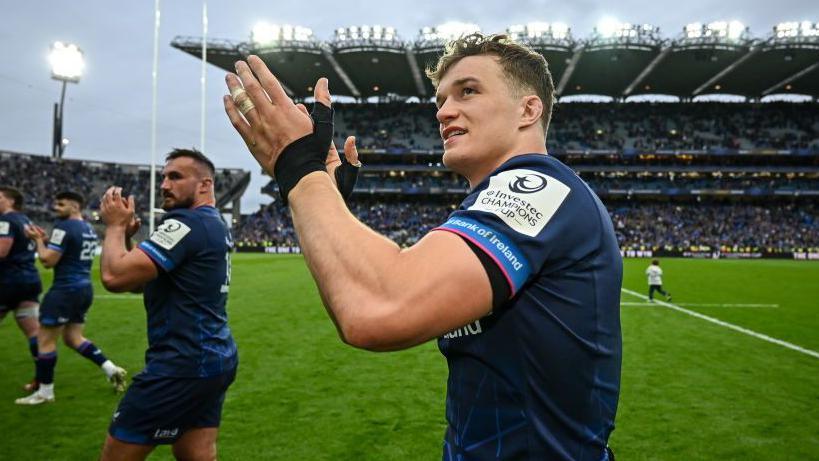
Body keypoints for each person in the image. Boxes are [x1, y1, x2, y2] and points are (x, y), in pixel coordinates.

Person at [224, 32, 622, 461]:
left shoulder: (538, 188)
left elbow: (378, 308)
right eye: (440, 101)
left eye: (468, 91)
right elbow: (374, 284)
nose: (445, 111)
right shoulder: (496, 201)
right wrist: (324, 199)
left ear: (528, 109)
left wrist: (299, 168)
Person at [97, 149, 237, 461]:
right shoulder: (211, 222)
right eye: (163, 177)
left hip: (181, 364)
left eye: (175, 176)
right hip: (214, 358)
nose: (164, 184)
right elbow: (138, 282)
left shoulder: (187, 223)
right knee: (195, 453)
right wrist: (129, 245)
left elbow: (114, 277)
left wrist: (115, 228)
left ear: (204, 185)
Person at [15, 191, 127, 405]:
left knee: (45, 340)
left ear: (75, 206)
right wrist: (47, 240)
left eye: (61, 204)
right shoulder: (88, 228)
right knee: (73, 338)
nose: (55, 207)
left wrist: (39, 241)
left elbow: (48, 260)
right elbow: (70, 249)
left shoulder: (64, 227)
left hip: (64, 290)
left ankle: (45, 392)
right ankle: (111, 368)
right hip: (84, 289)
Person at [0, 186, 41, 392]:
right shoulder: (25, 220)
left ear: (11, 201)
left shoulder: (6, 221)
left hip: (8, 281)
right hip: (29, 279)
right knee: (33, 331)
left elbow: (2, 251)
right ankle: (42, 378)